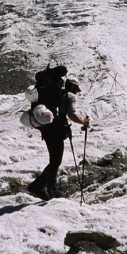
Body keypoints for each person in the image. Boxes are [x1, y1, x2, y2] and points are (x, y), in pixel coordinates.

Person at [27, 66, 91, 200]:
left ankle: (51, 187)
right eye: (76, 89)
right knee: (56, 161)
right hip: (56, 129)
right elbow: (71, 114)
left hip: (46, 128)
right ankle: (38, 186)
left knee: (54, 159)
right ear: (74, 87)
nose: (77, 92)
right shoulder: (69, 96)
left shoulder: (55, 93)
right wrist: (83, 122)